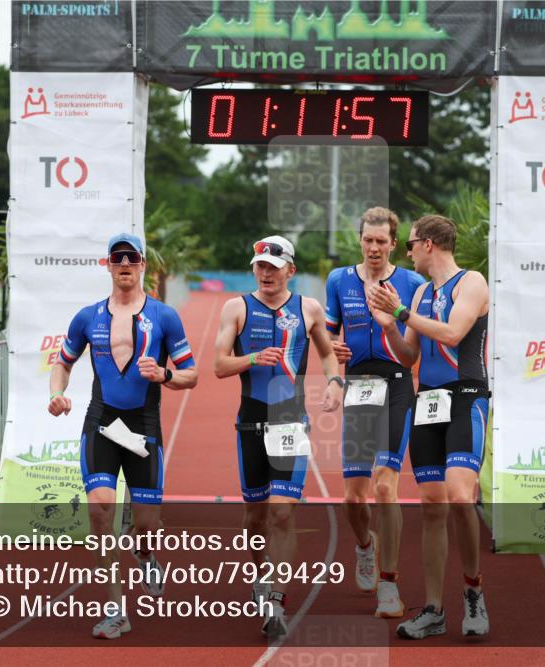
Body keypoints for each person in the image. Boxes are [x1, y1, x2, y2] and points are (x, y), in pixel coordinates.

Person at [47, 233, 198, 639]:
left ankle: (144, 550)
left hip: (144, 427)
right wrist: (56, 393)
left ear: (143, 265)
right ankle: (115, 608)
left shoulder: (165, 317)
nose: (125, 264)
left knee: (147, 523)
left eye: (132, 258)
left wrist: (165, 374)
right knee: (100, 508)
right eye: (118, 258)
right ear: (108, 265)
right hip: (101, 422)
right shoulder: (87, 317)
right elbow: (62, 363)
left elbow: (192, 375)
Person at [367, 214, 491, 639]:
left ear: (430, 244)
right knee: (432, 507)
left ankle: (473, 591)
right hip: (428, 402)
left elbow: (454, 334)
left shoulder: (471, 282)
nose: (408, 252)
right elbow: (408, 356)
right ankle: (435, 609)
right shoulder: (420, 293)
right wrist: (390, 328)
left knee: (460, 497)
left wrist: (399, 311)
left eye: (411, 244)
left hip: (466, 397)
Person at [213, 235, 342, 638]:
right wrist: (251, 358)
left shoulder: (309, 308)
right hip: (250, 423)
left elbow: (326, 351)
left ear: (291, 270)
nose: (266, 273)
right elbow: (218, 365)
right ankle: (259, 578)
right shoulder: (236, 307)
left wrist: (335, 381)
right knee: (254, 517)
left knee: (282, 513)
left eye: (274, 265)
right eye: (260, 266)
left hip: (290, 423)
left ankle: (277, 602)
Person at [324, 207, 425, 618]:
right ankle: (365, 546)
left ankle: (389, 585)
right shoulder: (339, 280)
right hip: (359, 384)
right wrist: (332, 351)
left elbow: (417, 347)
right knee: (352, 498)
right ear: (360, 240)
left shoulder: (411, 282)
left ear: (393, 244)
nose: (374, 248)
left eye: (381, 241)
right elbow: (328, 337)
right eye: (368, 240)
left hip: (398, 384)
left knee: (386, 488)